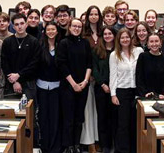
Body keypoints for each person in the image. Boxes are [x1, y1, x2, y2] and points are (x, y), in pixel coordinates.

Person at [58, 19, 93, 152]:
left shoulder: (85, 43)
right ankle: (68, 146)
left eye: (79, 26)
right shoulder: (63, 43)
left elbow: (89, 63)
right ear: (69, 27)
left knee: (79, 117)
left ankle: (77, 145)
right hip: (68, 86)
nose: (77, 28)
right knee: (68, 118)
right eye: (74, 26)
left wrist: (85, 81)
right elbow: (62, 64)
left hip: (83, 86)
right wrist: (73, 84)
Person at [109, 27, 142, 153]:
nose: (125, 39)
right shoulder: (114, 55)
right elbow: (113, 75)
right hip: (121, 92)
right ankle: (122, 150)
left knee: (135, 123)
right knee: (123, 124)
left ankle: (135, 149)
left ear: (131, 38)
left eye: (127, 37)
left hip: (136, 91)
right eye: (122, 37)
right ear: (119, 39)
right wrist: (113, 94)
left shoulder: (138, 51)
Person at [36, 23, 63, 153]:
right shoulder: (39, 46)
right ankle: (44, 146)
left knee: (55, 118)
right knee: (43, 118)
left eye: (53, 29)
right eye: (48, 29)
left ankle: (55, 147)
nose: (51, 31)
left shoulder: (61, 46)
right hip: (41, 86)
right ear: (44, 31)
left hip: (57, 88)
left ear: (57, 32)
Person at [1, 13, 39, 99]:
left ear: (26, 24)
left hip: (29, 83)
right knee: (11, 111)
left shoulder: (34, 41)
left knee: (28, 111)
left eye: (22, 23)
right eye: (16, 24)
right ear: (13, 27)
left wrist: (19, 75)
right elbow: (4, 62)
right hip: (11, 83)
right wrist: (14, 82)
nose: (19, 26)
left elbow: (35, 63)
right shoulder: (7, 42)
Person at [91, 26, 115, 153]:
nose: (107, 36)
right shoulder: (96, 50)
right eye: (105, 34)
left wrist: (113, 86)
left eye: (110, 33)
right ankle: (104, 145)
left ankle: (113, 144)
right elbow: (94, 69)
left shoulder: (118, 50)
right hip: (101, 88)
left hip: (116, 88)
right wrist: (102, 84)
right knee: (102, 117)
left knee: (114, 117)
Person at [136, 33, 164, 100]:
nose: (154, 44)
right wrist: (145, 93)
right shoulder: (143, 56)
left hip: (161, 96)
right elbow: (139, 78)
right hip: (145, 95)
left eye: (156, 41)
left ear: (160, 43)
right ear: (147, 44)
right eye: (151, 41)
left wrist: (163, 94)